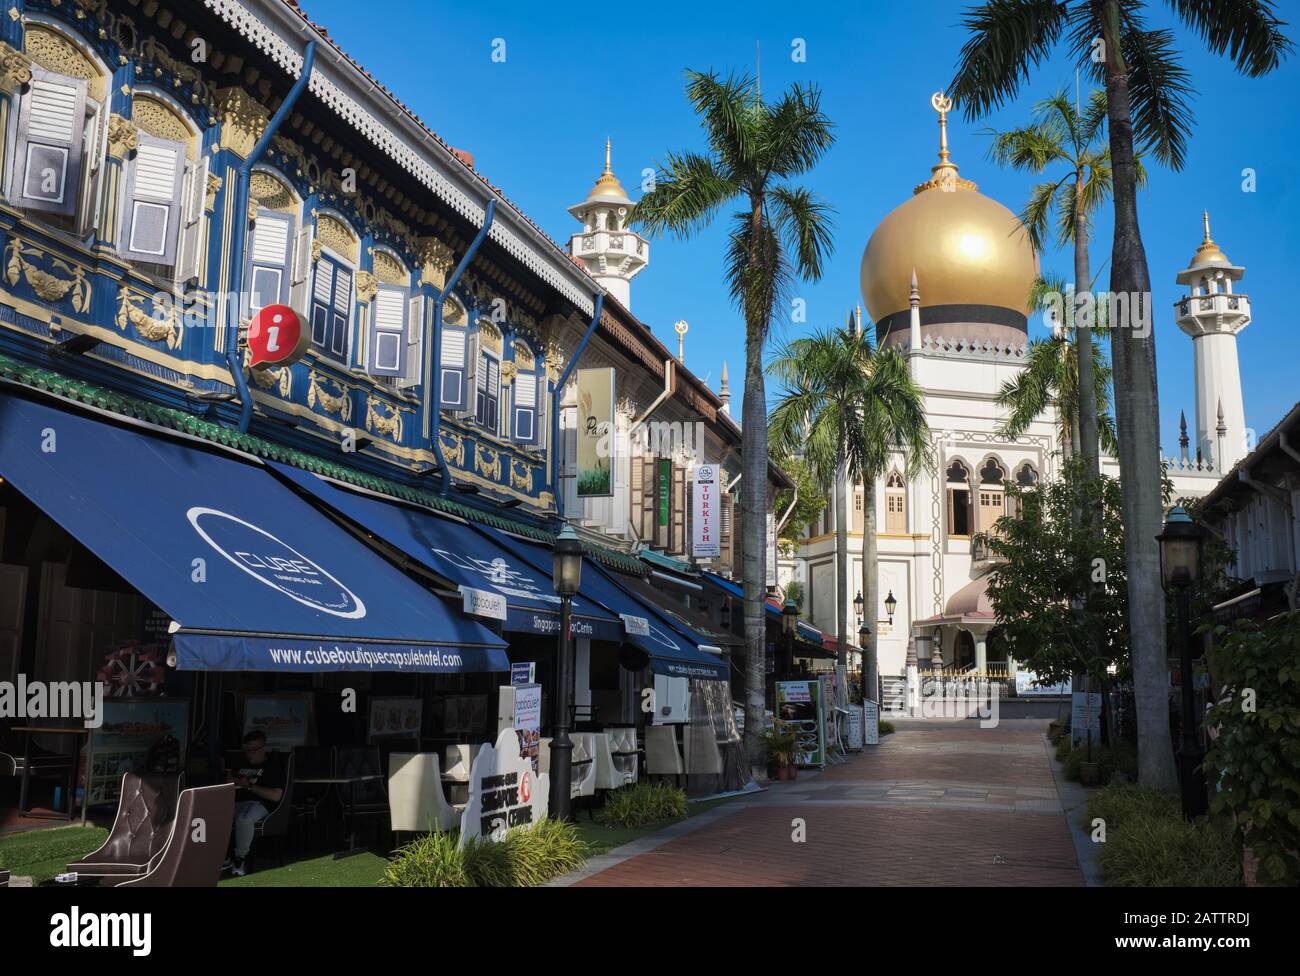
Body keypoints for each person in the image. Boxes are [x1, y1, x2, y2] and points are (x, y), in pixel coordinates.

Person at [224, 730, 285, 876]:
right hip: (236, 802)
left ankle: (240, 859)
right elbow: (228, 783)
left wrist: (249, 786)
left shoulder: (273, 766)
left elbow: (276, 796)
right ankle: (222, 856)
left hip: (261, 804)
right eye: (246, 749)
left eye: (253, 749)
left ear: (263, 748)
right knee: (213, 813)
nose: (249, 753)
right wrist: (229, 782)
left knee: (244, 819)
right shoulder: (240, 763)